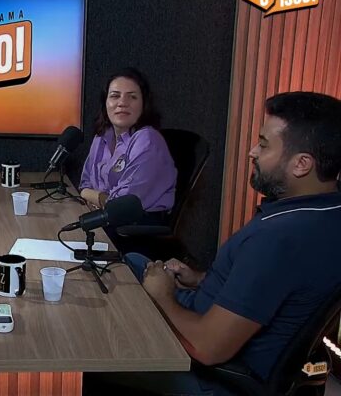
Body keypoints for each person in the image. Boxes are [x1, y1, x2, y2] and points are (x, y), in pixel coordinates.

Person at [88, 92, 341, 395]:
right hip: (206, 317)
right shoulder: (324, 213)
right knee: (132, 261)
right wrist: (200, 279)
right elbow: (269, 288)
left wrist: (163, 297)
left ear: (301, 164)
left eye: (263, 144)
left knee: (85, 343)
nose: (252, 152)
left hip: (208, 374)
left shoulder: (280, 239)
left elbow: (207, 348)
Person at [79, 68, 176, 226]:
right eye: (115, 96)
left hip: (135, 228)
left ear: (144, 104)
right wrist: (95, 196)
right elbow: (84, 184)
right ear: (105, 103)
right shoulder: (102, 137)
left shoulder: (148, 140)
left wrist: (91, 195)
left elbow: (120, 205)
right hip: (103, 219)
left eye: (132, 97)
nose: (122, 103)